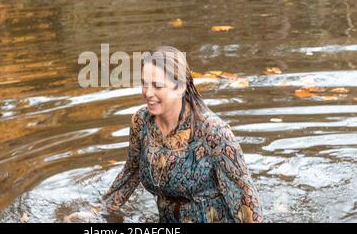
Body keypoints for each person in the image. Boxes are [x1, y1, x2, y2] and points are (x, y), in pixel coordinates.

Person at [102, 46, 263, 223]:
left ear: (180, 87)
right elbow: (131, 173)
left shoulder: (213, 131)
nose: (148, 93)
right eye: (144, 83)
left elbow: (245, 201)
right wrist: (96, 214)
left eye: (157, 85)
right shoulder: (141, 123)